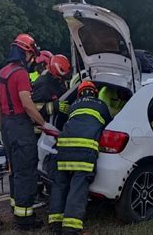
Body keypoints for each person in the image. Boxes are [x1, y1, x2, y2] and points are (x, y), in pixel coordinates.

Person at [0, 34, 49, 230]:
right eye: (31, 55)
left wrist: (2, 128)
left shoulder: (2, 72)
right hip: (20, 126)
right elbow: (27, 104)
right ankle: (26, 219)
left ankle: (17, 210)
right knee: (26, 172)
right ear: (25, 52)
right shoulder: (20, 73)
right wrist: (43, 124)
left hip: (7, 127)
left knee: (15, 171)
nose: (32, 59)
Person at [48, 81, 111, 234]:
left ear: (79, 93)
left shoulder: (74, 105)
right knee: (78, 187)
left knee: (60, 185)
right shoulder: (101, 105)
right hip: (85, 151)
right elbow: (109, 125)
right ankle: (71, 227)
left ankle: (55, 223)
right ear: (94, 93)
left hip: (63, 149)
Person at [32, 54, 72, 121]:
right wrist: (54, 106)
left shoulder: (57, 81)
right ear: (57, 74)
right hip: (41, 127)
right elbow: (34, 109)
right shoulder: (43, 84)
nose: (63, 79)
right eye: (63, 77)